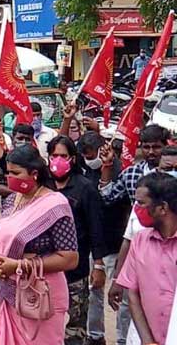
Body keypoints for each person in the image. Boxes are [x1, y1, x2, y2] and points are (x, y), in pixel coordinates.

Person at [0, 145, 79, 345]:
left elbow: (70, 258)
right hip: (8, 292)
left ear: (34, 173)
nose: (9, 177)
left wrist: (19, 266)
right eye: (8, 172)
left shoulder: (55, 205)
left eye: (15, 173)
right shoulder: (12, 200)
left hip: (40, 295)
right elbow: (0, 236)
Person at [108, 146, 177, 344]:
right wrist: (147, 340)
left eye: (141, 203)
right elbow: (133, 293)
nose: (136, 209)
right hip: (143, 336)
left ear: (162, 208)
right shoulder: (140, 240)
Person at [45, 135, 106, 345]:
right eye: (54, 155)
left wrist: (98, 265)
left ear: (72, 158)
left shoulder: (85, 188)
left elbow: (96, 229)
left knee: (75, 326)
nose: (58, 160)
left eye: (63, 155)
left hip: (76, 271)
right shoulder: (43, 186)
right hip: (46, 269)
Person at [78, 132, 131, 345]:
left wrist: (107, 169)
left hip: (117, 243)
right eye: (84, 155)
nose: (88, 158)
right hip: (94, 243)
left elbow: (107, 198)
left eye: (91, 154)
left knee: (123, 298)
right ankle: (95, 335)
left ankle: (122, 338)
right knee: (94, 293)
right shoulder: (83, 171)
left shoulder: (122, 172)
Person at [100, 124, 169, 204]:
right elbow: (108, 197)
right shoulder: (131, 173)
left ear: (165, 146)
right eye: (146, 147)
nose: (151, 152)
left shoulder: (173, 173)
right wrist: (107, 164)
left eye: (156, 147)